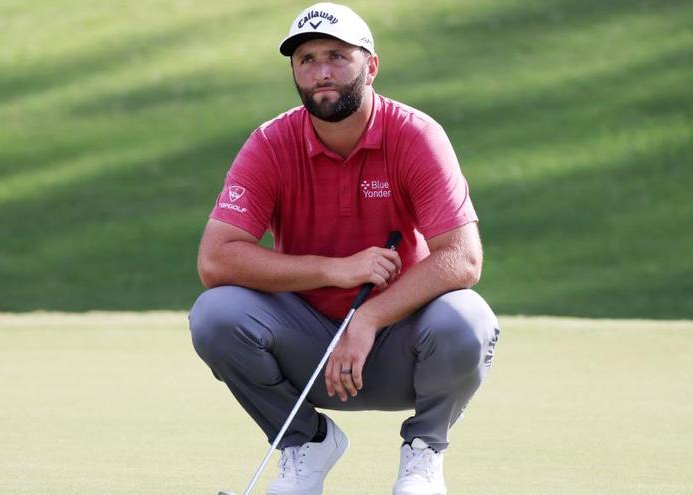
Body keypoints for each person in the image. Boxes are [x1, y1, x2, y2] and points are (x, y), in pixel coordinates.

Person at [189, 3, 500, 494]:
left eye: (337, 55)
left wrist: (369, 318)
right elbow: (216, 258)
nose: (322, 71)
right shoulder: (271, 143)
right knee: (215, 314)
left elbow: (463, 257)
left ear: (371, 65)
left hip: (401, 344)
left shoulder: (415, 135)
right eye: (307, 59)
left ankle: (423, 455)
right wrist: (334, 270)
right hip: (308, 347)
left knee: (468, 319)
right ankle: (305, 443)